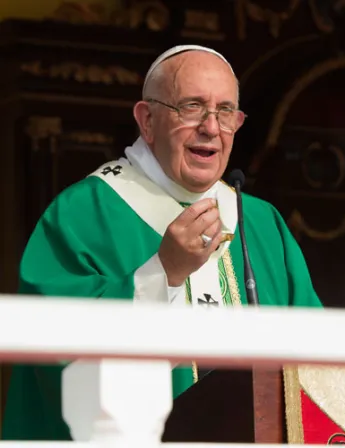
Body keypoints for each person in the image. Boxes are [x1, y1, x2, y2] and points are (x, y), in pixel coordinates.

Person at [1, 45, 323, 441]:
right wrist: (162, 274)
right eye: (191, 107)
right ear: (147, 120)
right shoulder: (83, 213)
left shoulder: (260, 222)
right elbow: (55, 356)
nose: (211, 127)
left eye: (225, 112)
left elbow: (315, 361)